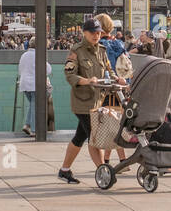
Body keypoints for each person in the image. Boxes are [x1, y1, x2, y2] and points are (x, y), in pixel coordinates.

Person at [57, 19, 123, 183]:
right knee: (94, 137)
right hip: (82, 102)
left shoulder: (102, 50)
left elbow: (108, 70)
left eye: (99, 32)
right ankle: (104, 173)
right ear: (84, 33)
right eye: (93, 32)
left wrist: (117, 79)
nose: (96, 35)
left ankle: (64, 170)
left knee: (80, 137)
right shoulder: (76, 51)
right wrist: (87, 81)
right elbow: (69, 74)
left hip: (97, 101)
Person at [17, 39, 51, 137]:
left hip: (24, 84)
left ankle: (27, 125)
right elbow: (48, 69)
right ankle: (34, 129)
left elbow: (20, 70)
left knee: (33, 105)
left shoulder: (24, 55)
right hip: (35, 84)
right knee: (35, 106)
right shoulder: (39, 55)